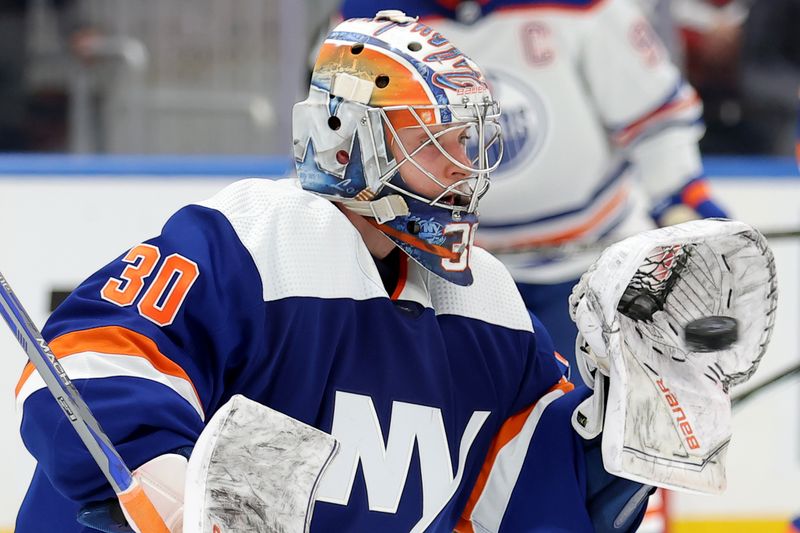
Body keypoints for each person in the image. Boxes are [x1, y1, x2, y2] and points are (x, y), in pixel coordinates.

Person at [14, 11, 656, 533]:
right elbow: (89, 362)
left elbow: (533, 493)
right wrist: (168, 483)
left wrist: (641, 416)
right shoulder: (253, 238)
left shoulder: (485, 302)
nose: (466, 167)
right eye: (440, 140)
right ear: (348, 140)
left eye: (469, 142)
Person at [338, 0, 728, 389]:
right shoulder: (369, 18)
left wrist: (681, 195)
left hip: (588, 272)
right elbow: (337, 143)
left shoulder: (585, 6)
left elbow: (656, 117)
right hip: (443, 279)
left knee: (596, 426)